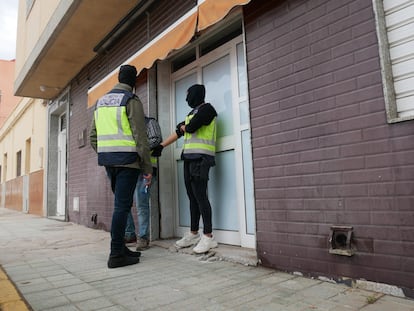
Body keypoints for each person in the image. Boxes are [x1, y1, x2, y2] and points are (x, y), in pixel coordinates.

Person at [90, 64, 153, 268]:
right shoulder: (131, 100)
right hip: (128, 162)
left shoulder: (101, 101)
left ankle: (121, 248)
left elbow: (93, 136)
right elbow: (140, 136)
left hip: (110, 162)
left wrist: (107, 153)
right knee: (122, 207)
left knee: (121, 205)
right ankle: (116, 254)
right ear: (133, 82)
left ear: (118, 78)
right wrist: (147, 167)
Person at [151, 84, 218, 253]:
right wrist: (161, 146)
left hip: (201, 159)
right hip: (189, 159)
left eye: (188, 95)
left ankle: (209, 236)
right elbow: (179, 131)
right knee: (192, 197)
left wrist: (184, 127)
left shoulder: (208, 109)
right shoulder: (192, 113)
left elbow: (190, 127)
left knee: (201, 196)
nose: (187, 99)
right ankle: (194, 233)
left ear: (196, 95)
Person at [125, 117, 162, 251]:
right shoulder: (126, 125)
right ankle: (129, 235)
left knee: (141, 204)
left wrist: (138, 148)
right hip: (129, 169)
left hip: (146, 169)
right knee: (124, 203)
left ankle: (143, 237)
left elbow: (156, 139)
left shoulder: (149, 122)